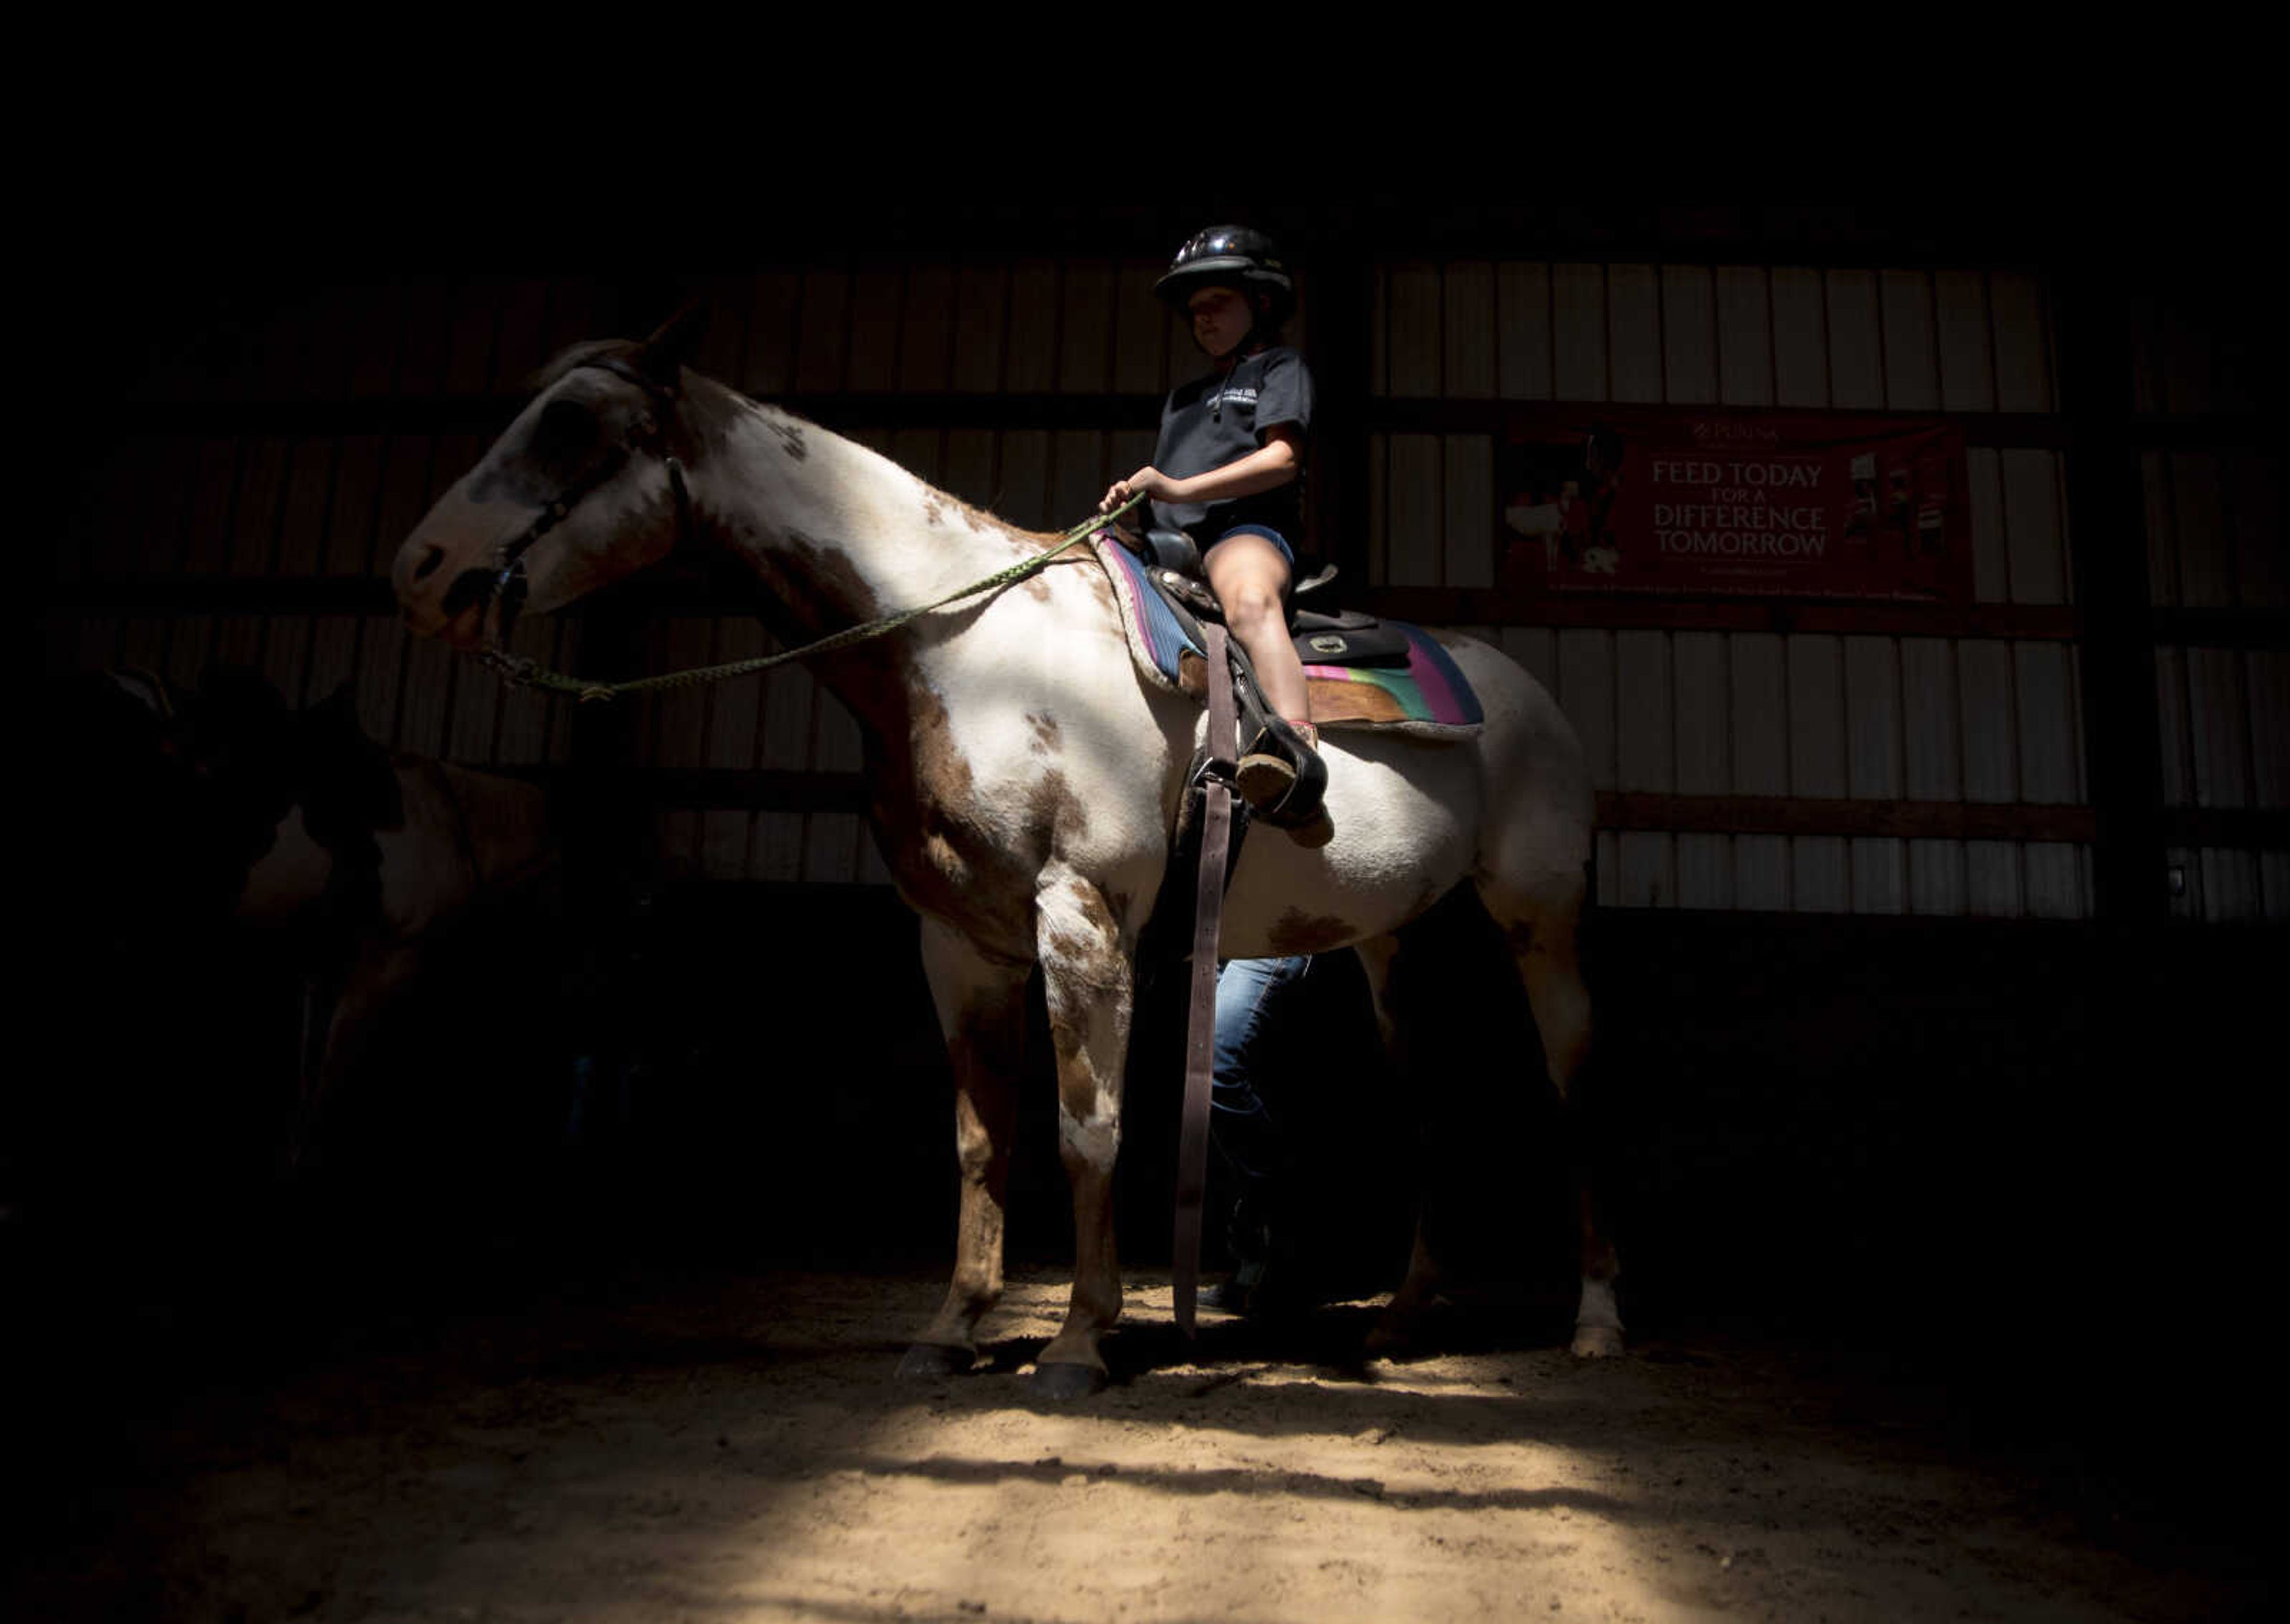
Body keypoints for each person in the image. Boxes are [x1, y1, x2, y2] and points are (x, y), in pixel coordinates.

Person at [1100, 226, 1330, 845]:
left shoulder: (1280, 369)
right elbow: (1164, 493)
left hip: (1244, 530)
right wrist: (1132, 507)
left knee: (1250, 602)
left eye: (1217, 305)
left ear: (1260, 303)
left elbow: (1283, 459)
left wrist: (1174, 487)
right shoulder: (1183, 399)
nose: (1202, 321)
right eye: (1194, 312)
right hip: (1170, 544)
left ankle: (1296, 763)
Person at [1205, 954, 1315, 1314]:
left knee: (1216, 1069)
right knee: (1247, 1084)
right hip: (1222, 941)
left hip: (1270, 939)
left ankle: (1288, 1238)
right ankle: (1253, 1265)